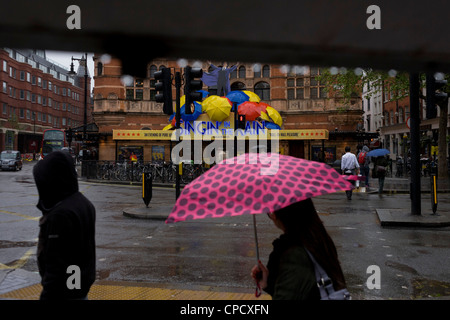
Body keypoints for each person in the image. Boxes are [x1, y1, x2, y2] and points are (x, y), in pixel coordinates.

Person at [250, 199, 347, 300]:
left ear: (275, 214)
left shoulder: (293, 254)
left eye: (270, 212)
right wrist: (267, 283)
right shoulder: (319, 239)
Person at [33, 151, 96, 300]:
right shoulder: (84, 203)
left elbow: (57, 263)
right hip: (78, 287)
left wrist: (48, 295)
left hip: (63, 293)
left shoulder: (61, 214)